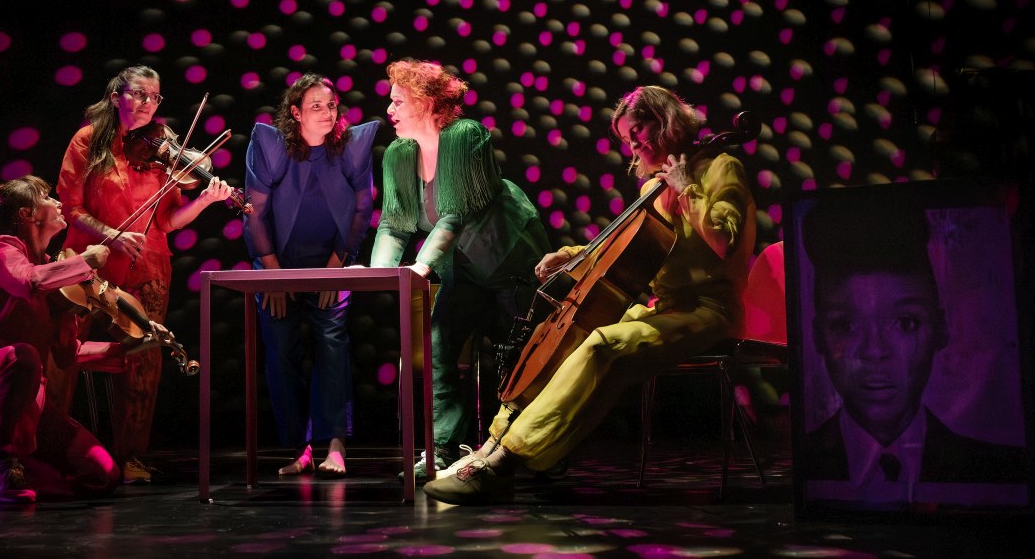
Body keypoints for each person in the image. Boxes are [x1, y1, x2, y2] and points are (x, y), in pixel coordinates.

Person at [424, 85, 756, 504]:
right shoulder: (653, 189)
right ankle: (491, 444)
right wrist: (569, 256)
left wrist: (687, 188)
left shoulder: (721, 167)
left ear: (665, 121)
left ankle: (506, 461)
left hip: (711, 311)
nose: (633, 145)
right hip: (667, 308)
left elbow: (724, 241)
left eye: (638, 131)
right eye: (626, 138)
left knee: (603, 344)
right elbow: (620, 246)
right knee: (568, 336)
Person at [369, 59, 550, 479]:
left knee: (524, 356)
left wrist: (420, 266)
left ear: (427, 103)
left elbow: (456, 212)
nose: (389, 110)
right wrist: (379, 275)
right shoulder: (399, 154)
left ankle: (536, 449)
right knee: (440, 346)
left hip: (511, 259)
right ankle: (444, 448)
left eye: (398, 101)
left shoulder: (466, 136)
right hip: (462, 268)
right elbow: (394, 223)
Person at [54, 65, 233, 483]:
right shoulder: (87, 140)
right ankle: (49, 443)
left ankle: (131, 456)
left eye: (155, 97)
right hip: (88, 265)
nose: (148, 104)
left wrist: (204, 201)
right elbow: (69, 207)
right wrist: (112, 235)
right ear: (117, 96)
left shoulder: (160, 148)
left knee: (143, 361)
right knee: (62, 352)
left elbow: (166, 221)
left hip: (147, 267)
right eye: (139, 94)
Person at [798, 192, 1027, 496]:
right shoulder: (804, 467)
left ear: (941, 329)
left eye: (905, 323)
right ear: (816, 335)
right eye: (845, 325)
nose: (874, 352)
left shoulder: (999, 470)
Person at [0, 175, 121, 503]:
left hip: (28, 401)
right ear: (26, 214)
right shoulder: (4, 251)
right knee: (22, 355)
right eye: (47, 196)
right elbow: (28, 281)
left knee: (102, 475)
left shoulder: (55, 274)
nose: (58, 202)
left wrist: (127, 349)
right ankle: (2, 458)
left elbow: (68, 354)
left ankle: (13, 464)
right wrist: (85, 261)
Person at [243, 73, 380, 477]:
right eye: (315, 106)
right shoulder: (271, 146)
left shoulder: (350, 147)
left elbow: (362, 208)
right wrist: (273, 276)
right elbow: (254, 212)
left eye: (331, 105)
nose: (326, 112)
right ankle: (297, 447)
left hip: (331, 264)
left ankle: (335, 444)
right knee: (280, 349)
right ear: (296, 112)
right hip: (275, 265)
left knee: (333, 343)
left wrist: (335, 269)